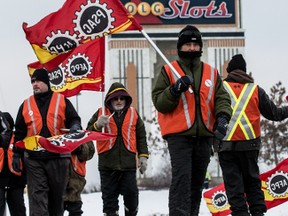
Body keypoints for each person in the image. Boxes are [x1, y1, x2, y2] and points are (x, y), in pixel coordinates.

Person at [152, 25, 232, 215]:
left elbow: (222, 98)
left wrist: (222, 118)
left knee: (196, 184)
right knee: (182, 180)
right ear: (180, 47)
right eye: (187, 45)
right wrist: (174, 90)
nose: (192, 49)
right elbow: (159, 102)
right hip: (179, 137)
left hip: (204, 136)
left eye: (195, 45)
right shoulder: (168, 70)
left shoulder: (211, 72)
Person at [215, 54, 288, 216]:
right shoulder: (255, 90)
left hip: (226, 147)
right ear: (245, 71)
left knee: (234, 189)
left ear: (229, 72)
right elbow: (275, 114)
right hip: (250, 147)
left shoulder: (220, 89)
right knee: (253, 185)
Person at [12, 68, 82, 216]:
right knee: (37, 198)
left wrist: (75, 127)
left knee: (56, 202)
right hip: (33, 159)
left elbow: (74, 119)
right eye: (33, 81)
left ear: (47, 82)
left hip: (59, 158)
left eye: (38, 81)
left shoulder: (62, 101)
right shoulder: (26, 105)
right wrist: (16, 155)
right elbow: (19, 132)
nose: (35, 84)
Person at [87, 82, 149, 216]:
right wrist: (97, 125)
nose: (119, 101)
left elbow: (141, 137)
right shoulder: (101, 113)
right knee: (109, 203)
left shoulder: (134, 113)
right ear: (110, 99)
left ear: (126, 99)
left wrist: (143, 157)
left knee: (132, 197)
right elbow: (88, 132)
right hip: (107, 166)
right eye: (115, 98)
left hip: (128, 166)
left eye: (122, 98)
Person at [0, 111, 26, 216]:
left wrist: (23, 180)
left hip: (16, 182)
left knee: (18, 210)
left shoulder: (18, 140)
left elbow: (25, 160)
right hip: (1, 182)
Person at [64, 140, 95, 216]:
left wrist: (80, 147)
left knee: (75, 210)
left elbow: (89, 153)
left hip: (76, 183)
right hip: (58, 185)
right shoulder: (56, 131)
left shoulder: (82, 134)